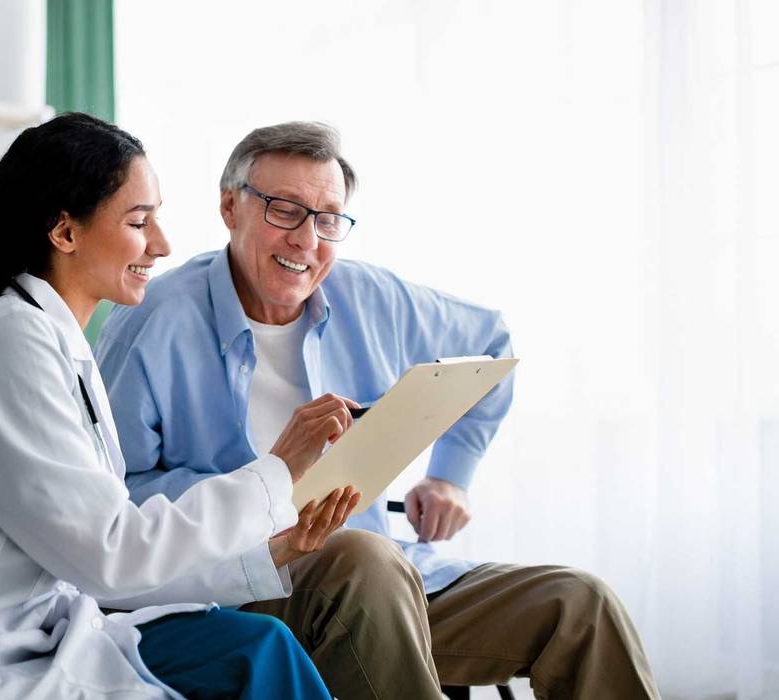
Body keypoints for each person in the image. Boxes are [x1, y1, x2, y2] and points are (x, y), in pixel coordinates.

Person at [96, 121, 660, 699]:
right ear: (229, 208)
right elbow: (113, 500)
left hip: (387, 583)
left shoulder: (372, 297)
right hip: (241, 583)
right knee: (362, 558)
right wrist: (264, 490)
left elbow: (492, 343)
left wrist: (450, 477)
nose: (307, 240)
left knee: (577, 605)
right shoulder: (152, 321)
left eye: (327, 219)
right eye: (284, 210)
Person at [0, 113, 362, 700]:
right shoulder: (3, 340)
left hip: (24, 636)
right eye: (138, 221)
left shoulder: (57, 346)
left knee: (260, 646)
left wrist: (274, 550)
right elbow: (111, 555)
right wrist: (275, 472)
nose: (162, 244)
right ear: (65, 232)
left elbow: (97, 560)